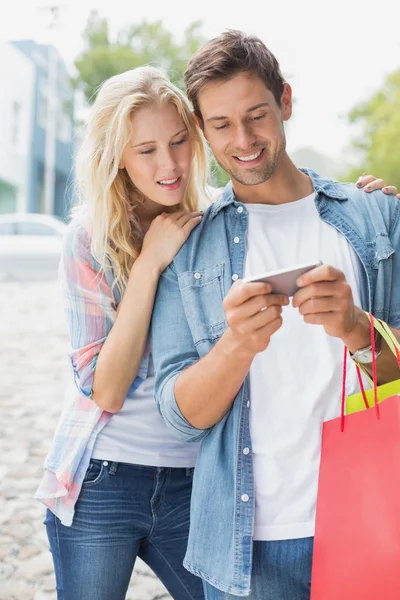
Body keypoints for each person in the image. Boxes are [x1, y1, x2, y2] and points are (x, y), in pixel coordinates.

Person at [151, 31, 400, 600]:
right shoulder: (189, 248)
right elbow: (179, 415)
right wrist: (236, 346)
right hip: (247, 546)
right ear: (201, 129)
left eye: (257, 115)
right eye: (221, 125)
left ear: (285, 101)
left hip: (372, 520)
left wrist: (357, 330)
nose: (243, 140)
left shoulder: (374, 218)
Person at [35, 66, 208, 600]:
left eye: (179, 142)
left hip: (197, 482)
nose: (170, 164)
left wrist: (362, 204)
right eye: (147, 150)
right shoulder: (88, 239)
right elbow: (105, 388)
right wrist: (151, 262)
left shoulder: (215, 220)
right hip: (102, 480)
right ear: (115, 158)